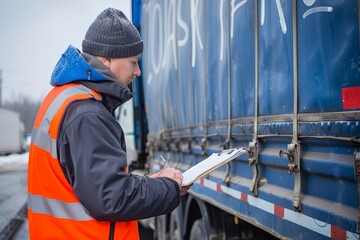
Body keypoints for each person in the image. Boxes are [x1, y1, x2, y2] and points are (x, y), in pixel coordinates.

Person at [27, 8, 189, 239]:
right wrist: (168, 187)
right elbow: (111, 198)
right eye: (133, 62)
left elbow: (93, 186)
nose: (138, 71)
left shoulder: (66, 98)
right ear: (107, 59)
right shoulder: (87, 115)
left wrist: (151, 183)